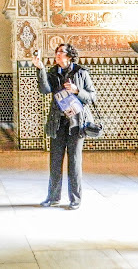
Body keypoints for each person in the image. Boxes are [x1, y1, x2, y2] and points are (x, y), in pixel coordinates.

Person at [33, 43, 96, 210]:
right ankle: (53, 197)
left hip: (76, 124)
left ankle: (75, 199)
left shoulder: (81, 72)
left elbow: (92, 96)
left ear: (69, 56)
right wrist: (40, 69)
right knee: (55, 161)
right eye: (56, 52)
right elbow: (44, 90)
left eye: (61, 52)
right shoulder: (54, 73)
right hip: (58, 123)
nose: (57, 55)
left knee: (74, 162)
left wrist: (77, 90)